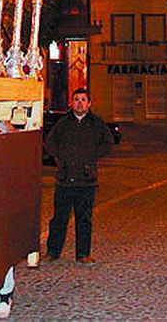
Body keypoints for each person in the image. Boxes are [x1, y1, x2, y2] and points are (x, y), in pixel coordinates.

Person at [42, 88, 113, 264]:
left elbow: (108, 143)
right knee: (59, 219)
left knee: (84, 219)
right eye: (76, 99)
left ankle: (83, 254)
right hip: (65, 179)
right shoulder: (64, 123)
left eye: (83, 100)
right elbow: (50, 141)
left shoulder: (96, 123)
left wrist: (92, 156)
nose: (79, 103)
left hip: (86, 179)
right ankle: (52, 252)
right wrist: (59, 157)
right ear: (71, 103)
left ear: (89, 103)